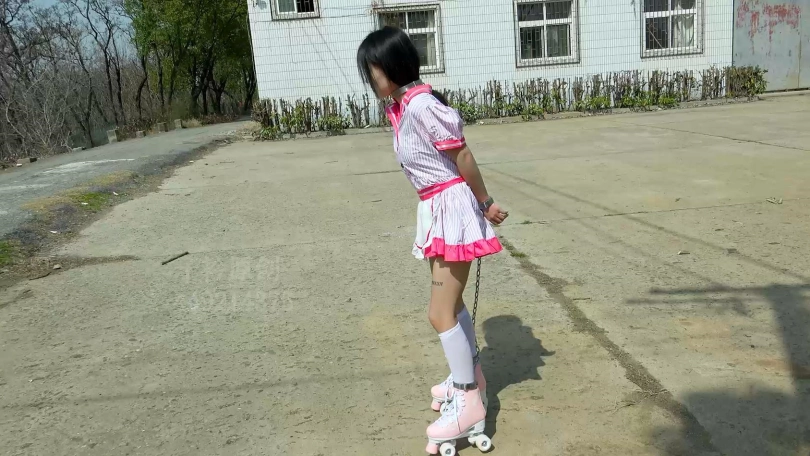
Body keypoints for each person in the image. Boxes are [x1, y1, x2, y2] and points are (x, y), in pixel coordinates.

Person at [357, 26, 509, 453]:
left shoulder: (423, 106)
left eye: (372, 71)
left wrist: (486, 202)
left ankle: (468, 401)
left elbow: (462, 155)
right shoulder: (405, 106)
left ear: (391, 67)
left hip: (451, 209)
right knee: (452, 305)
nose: (370, 80)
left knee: (439, 312)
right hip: (436, 208)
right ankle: (469, 378)